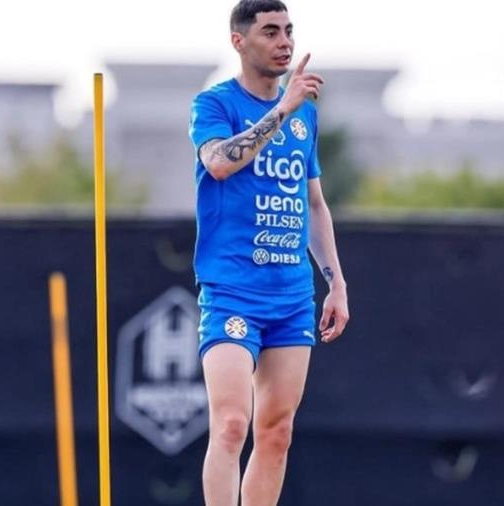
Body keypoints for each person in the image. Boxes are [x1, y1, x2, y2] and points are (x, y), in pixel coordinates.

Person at [188, 1, 349, 504]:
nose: (285, 42)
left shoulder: (306, 118)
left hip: (291, 295)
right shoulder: (214, 104)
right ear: (239, 41)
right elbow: (219, 163)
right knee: (232, 424)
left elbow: (314, 204)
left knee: (277, 431)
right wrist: (281, 111)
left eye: (288, 31)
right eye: (271, 32)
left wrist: (336, 284)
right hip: (232, 291)